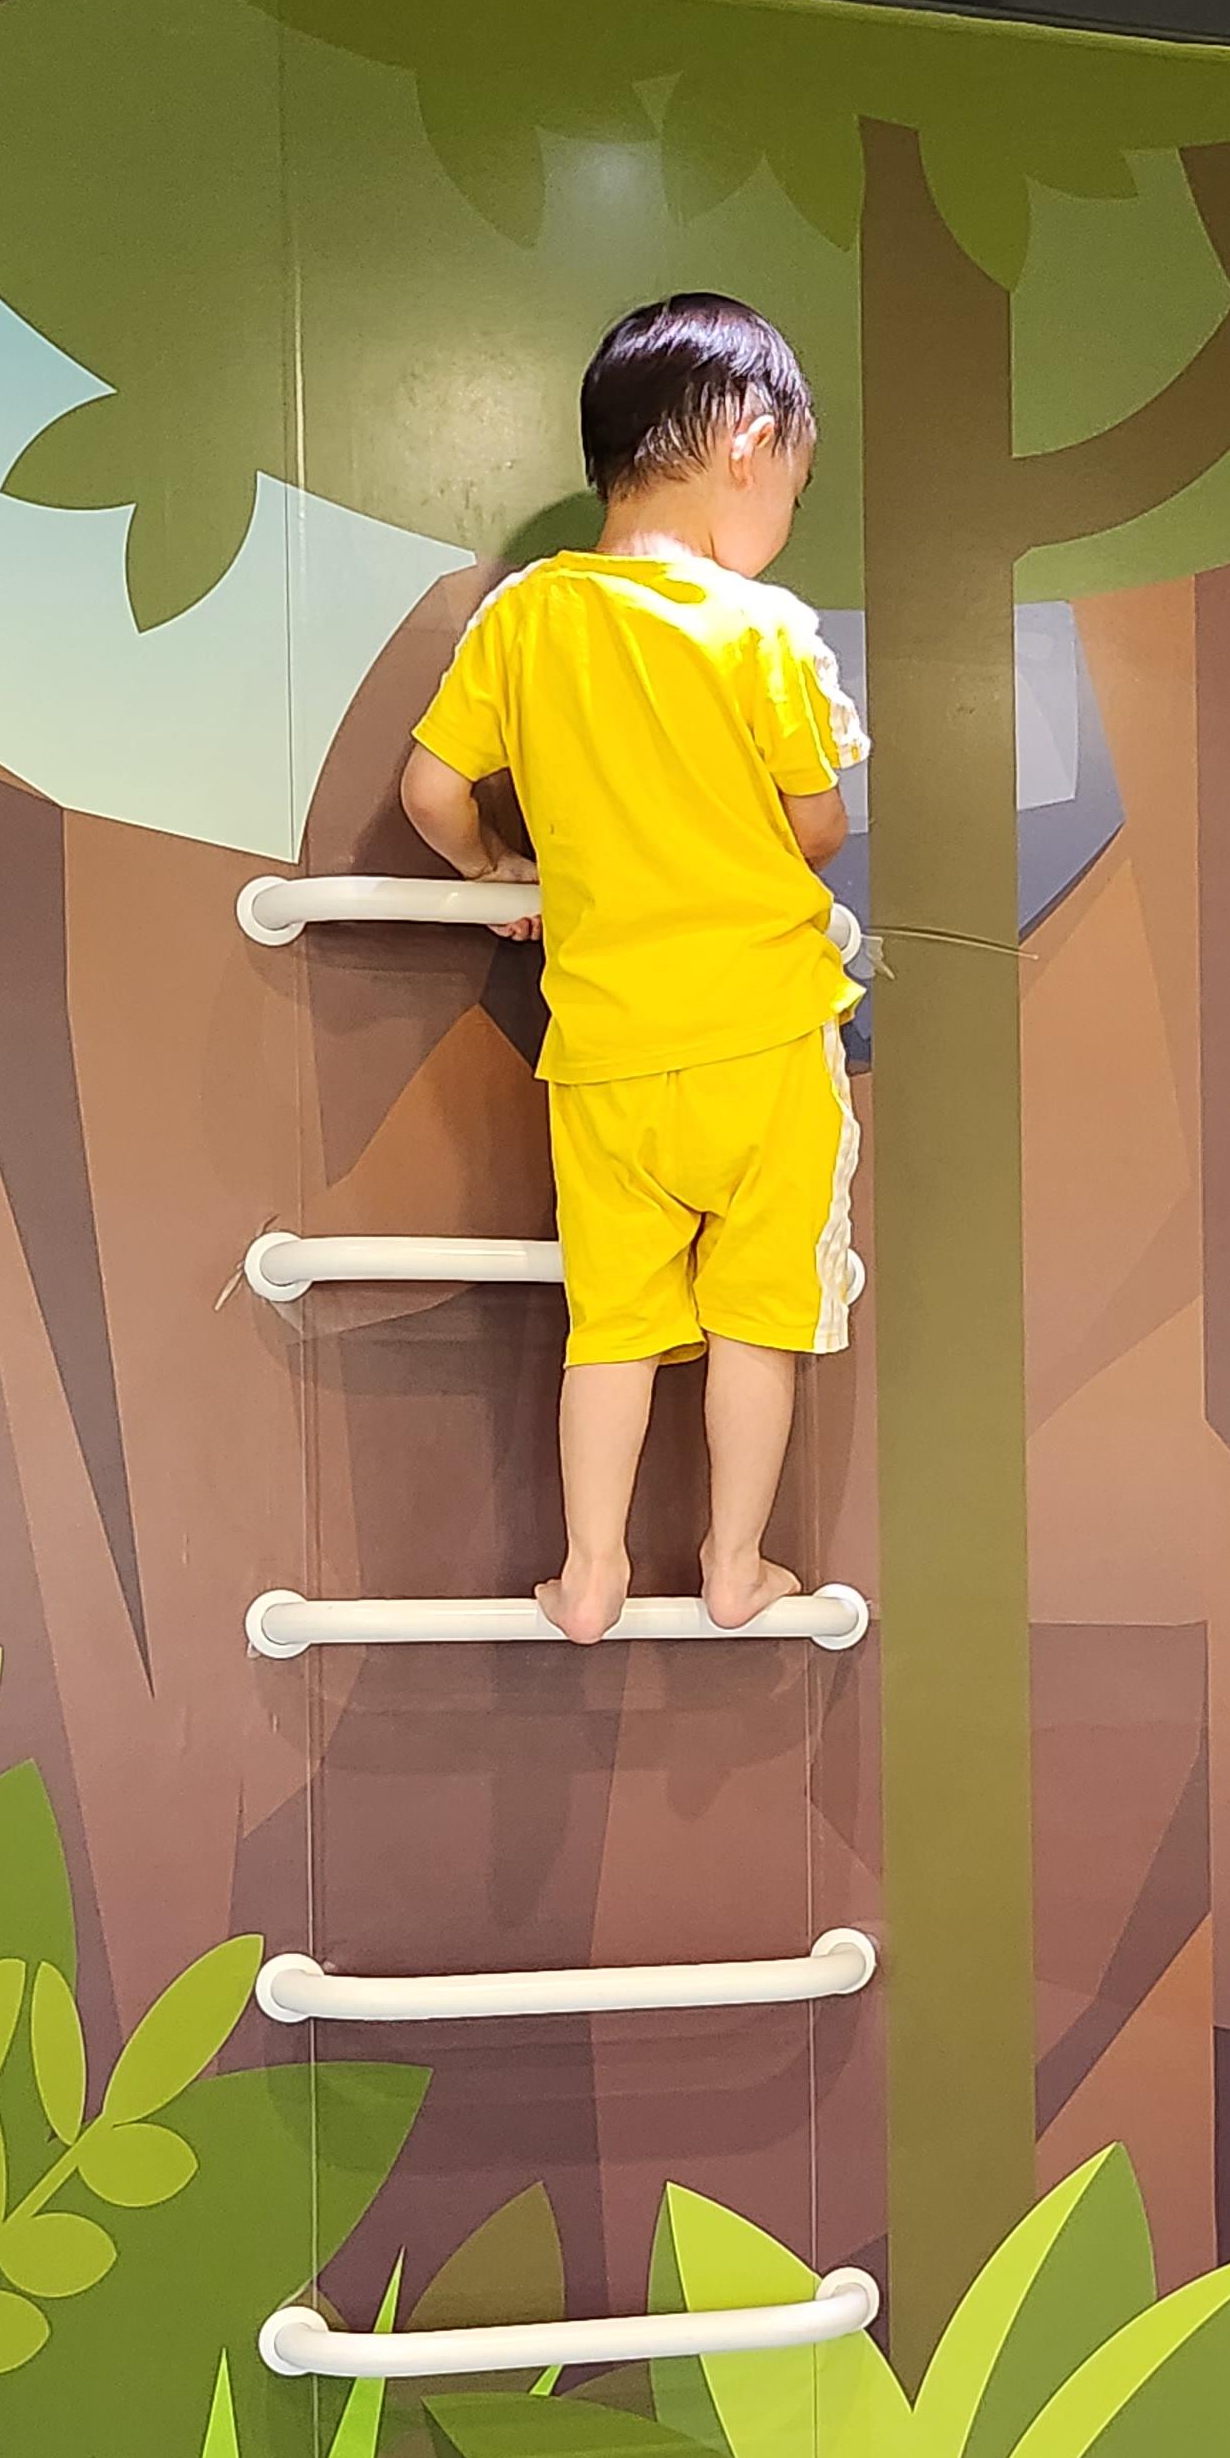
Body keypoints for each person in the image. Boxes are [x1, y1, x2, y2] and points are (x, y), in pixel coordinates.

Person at [400, 293, 867, 1643]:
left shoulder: (526, 617)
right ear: (751, 447)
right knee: (757, 1319)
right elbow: (818, 827)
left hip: (605, 1054)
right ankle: (736, 1562)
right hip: (765, 1042)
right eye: (793, 491)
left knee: (608, 1324)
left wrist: (493, 868)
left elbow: (431, 790)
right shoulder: (764, 628)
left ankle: (592, 1568)